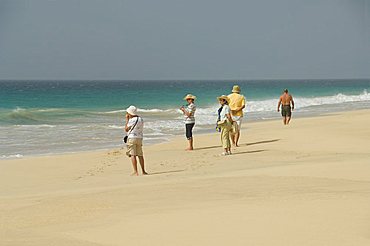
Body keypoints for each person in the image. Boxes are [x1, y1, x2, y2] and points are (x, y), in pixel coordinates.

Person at [125, 105, 148, 176]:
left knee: (133, 155)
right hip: (139, 138)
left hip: (132, 137)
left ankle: (135, 171)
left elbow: (126, 129)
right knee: (140, 155)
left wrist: (127, 120)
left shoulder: (131, 120)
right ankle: (143, 171)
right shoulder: (141, 119)